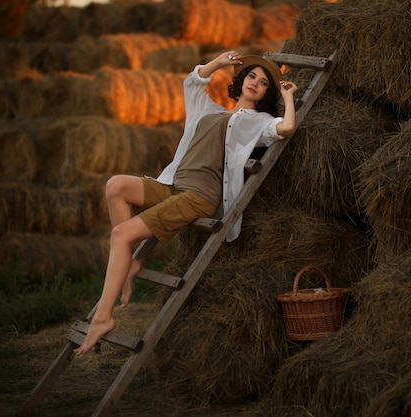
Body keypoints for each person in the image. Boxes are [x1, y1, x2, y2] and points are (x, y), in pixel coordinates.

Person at [73, 51, 298, 356]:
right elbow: (193, 82)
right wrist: (219, 62)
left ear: (266, 92)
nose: (255, 82)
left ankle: (104, 317)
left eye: (263, 82)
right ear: (241, 79)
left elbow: (285, 129)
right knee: (115, 185)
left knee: (119, 234)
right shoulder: (208, 110)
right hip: (173, 185)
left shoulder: (257, 121)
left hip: (199, 197)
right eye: (251, 76)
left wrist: (288, 97)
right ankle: (129, 261)